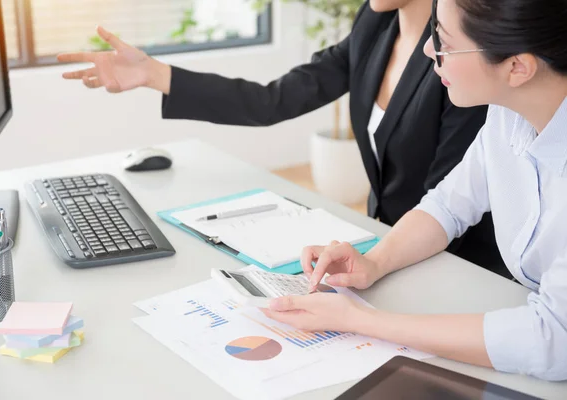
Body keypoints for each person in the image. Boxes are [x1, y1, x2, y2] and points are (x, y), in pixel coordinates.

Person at [56, 1, 507, 277]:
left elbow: (451, 203)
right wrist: (154, 74)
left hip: (458, 261)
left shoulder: (463, 59)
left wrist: (379, 263)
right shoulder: (375, 26)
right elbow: (272, 101)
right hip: (381, 246)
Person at [260, 0, 567, 381]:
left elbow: (552, 340)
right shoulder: (508, 115)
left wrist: (365, 321)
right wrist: (374, 261)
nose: (427, 50)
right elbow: (448, 206)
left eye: (445, 42)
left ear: (517, 67)